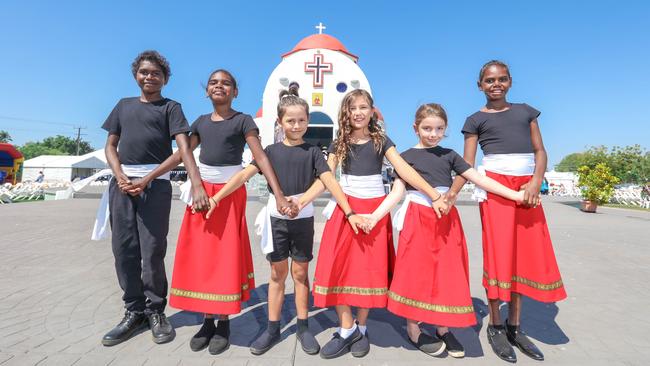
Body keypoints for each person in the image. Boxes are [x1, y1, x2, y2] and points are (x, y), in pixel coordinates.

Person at [206, 85, 365, 356]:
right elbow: (243, 176)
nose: (297, 125)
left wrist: (348, 211)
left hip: (302, 219)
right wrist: (216, 197)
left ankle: (303, 326)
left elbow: (327, 182)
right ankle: (272, 327)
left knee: (301, 274)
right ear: (280, 122)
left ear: (307, 121)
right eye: (290, 120)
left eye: (302, 120)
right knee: (277, 275)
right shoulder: (269, 151)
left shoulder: (314, 152)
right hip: (277, 220)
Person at [360, 103, 524, 358]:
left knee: (447, 273)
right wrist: (374, 216)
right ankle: (413, 328)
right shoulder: (404, 157)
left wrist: (515, 194)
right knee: (416, 273)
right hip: (417, 218)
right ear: (416, 128)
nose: (433, 133)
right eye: (427, 128)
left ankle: (442, 327)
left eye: (439, 129)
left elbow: (479, 178)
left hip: (446, 220)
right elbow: (397, 192)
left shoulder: (449, 154)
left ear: (445, 129)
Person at [300, 89, 448, 359]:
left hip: (374, 212)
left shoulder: (381, 140)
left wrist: (435, 194)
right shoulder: (339, 142)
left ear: (372, 111)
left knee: (367, 271)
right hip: (347, 209)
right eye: (353, 107)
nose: (358, 112)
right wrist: (300, 202)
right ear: (347, 112)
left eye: (363, 107)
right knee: (339, 269)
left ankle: (363, 328)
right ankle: (346, 329)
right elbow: (326, 178)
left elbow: (404, 170)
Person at [447, 60, 567, 362]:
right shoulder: (474, 119)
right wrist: (450, 194)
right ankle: (496, 326)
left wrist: (536, 181)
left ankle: (515, 325)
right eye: (489, 80)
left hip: (527, 191)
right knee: (499, 256)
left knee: (523, 256)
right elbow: (467, 164)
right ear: (480, 86)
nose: (495, 84)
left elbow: (540, 150)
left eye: (501, 79)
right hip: (496, 191)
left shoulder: (526, 111)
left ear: (510, 81)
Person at [168, 69, 293, 355]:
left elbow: (260, 156)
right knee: (202, 256)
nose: (219, 86)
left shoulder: (243, 120)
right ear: (207, 91)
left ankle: (223, 322)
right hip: (201, 194)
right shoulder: (199, 122)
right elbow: (182, 154)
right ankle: (206, 321)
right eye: (213, 82)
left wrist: (278, 192)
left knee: (223, 257)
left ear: (235, 92)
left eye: (226, 83)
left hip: (230, 193)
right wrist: (150, 177)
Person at [100, 50, 209, 346]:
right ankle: (133, 311)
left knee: (152, 250)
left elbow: (183, 150)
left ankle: (155, 311)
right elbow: (111, 145)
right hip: (122, 185)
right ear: (136, 74)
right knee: (124, 250)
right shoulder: (123, 106)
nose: (150, 77)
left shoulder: (171, 108)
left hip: (155, 185)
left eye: (156, 73)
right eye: (144, 72)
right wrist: (119, 173)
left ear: (166, 79)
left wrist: (193, 182)